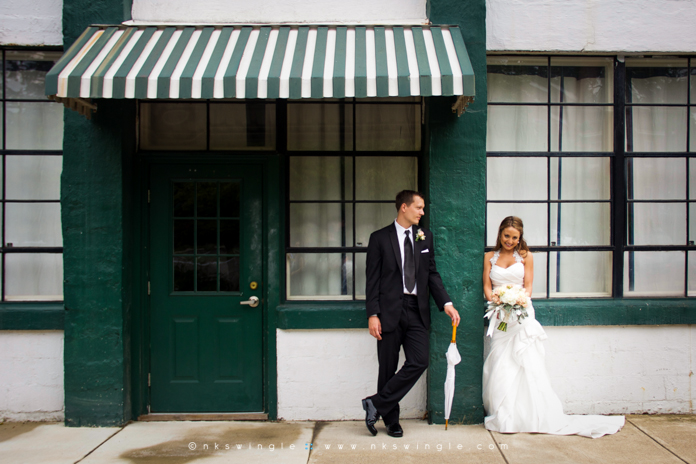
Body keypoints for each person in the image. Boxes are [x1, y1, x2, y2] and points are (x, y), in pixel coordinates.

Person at [482, 216, 624, 438]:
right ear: (500, 234)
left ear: (520, 238)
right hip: (500, 317)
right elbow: (487, 287)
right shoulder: (489, 257)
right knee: (500, 359)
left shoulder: (526, 257)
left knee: (526, 362)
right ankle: (504, 414)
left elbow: (528, 287)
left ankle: (533, 415)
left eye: (514, 237)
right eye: (506, 236)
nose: (510, 240)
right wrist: (499, 303)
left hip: (522, 315)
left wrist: (515, 301)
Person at [362, 190, 460, 438]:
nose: (422, 212)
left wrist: (446, 303)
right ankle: (391, 421)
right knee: (387, 367)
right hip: (388, 312)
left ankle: (376, 403)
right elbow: (372, 280)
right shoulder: (379, 238)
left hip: (417, 310)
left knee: (419, 360)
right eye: (419, 207)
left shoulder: (424, 236)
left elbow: (432, 274)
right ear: (403, 207)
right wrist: (373, 314)